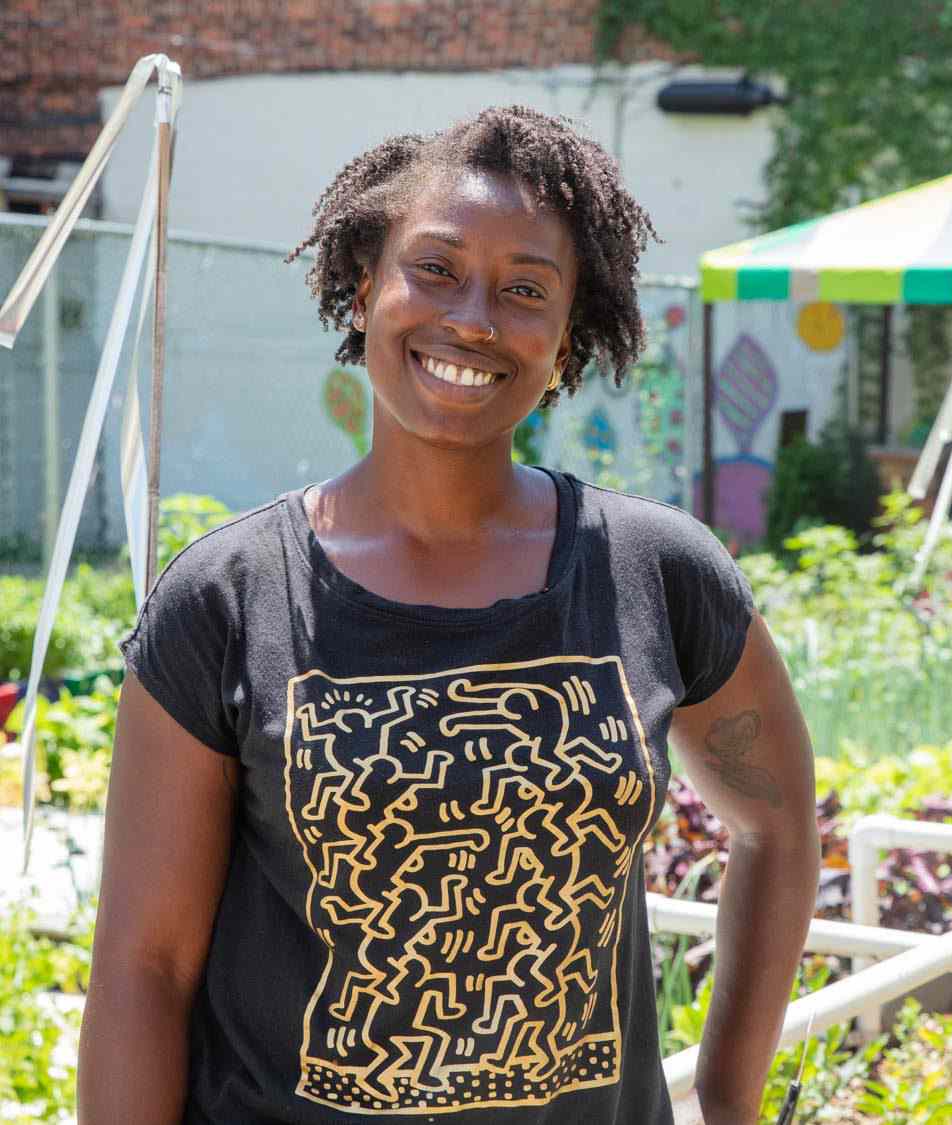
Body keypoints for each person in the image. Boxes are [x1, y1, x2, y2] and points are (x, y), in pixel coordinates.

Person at [77, 106, 819, 1125]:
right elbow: (144, 968)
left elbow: (777, 828)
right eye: (433, 268)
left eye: (525, 290)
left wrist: (730, 1101)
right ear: (360, 288)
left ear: (566, 341)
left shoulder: (658, 572)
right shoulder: (228, 597)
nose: (473, 318)